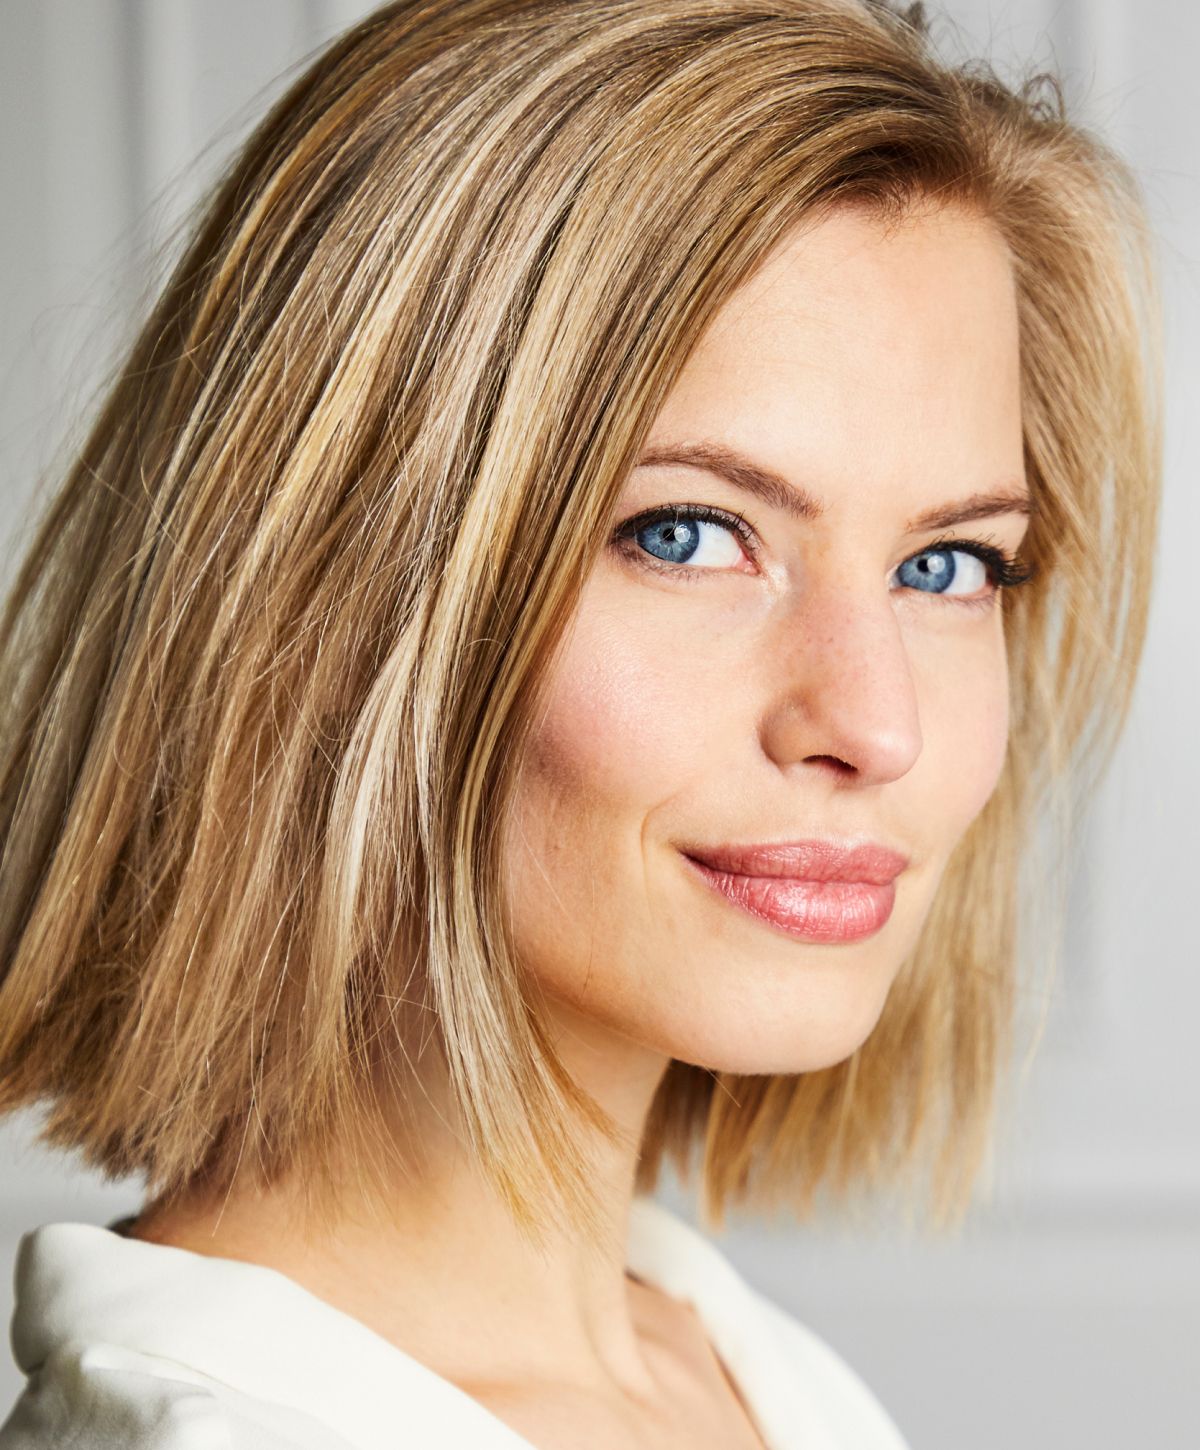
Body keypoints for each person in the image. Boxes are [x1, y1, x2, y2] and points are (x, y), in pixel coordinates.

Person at [0, 1, 1161, 1446]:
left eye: (947, 564)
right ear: (331, 599)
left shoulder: (724, 1365)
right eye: (688, 531)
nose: (877, 723)